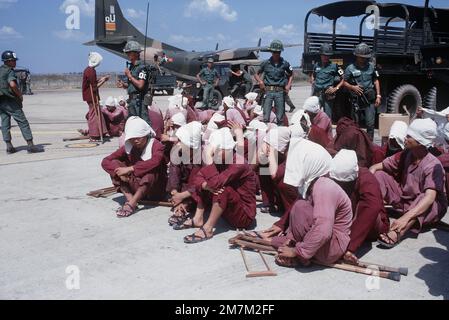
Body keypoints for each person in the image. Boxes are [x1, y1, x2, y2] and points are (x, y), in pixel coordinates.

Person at [272, 138, 353, 267]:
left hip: (332, 247)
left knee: (300, 207)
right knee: (276, 241)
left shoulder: (324, 186)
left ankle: (304, 257)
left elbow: (323, 229)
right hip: (325, 241)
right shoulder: (313, 183)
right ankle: (304, 251)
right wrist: (291, 239)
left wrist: (297, 251)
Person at [370, 119, 447, 248]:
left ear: (420, 142)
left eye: (409, 136)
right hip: (406, 199)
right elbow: (377, 167)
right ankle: (376, 215)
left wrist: (404, 218)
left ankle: (398, 232)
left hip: (429, 207)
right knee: (379, 175)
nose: (405, 138)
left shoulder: (433, 165)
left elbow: (429, 198)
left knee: (425, 198)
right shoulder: (406, 154)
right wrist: (370, 182)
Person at [181, 128, 257, 243]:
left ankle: (208, 229)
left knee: (221, 189)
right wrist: (205, 185)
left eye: (215, 151)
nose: (213, 154)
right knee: (206, 183)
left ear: (225, 149)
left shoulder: (239, 163)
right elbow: (198, 178)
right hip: (229, 210)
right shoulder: (221, 160)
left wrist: (209, 161)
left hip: (244, 217)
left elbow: (215, 184)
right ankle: (198, 218)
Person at [329, 150, 389, 264]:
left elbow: (371, 209)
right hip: (345, 219)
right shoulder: (330, 172)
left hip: (368, 224)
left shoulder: (366, 178)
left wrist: (350, 247)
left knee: (368, 208)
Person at [101, 117, 167, 218]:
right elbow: (105, 161)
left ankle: (132, 203)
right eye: (132, 139)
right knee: (114, 164)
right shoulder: (130, 146)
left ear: (145, 135)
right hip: (135, 184)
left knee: (151, 172)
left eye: (138, 138)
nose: (135, 141)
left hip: (154, 189)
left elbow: (155, 161)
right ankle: (130, 198)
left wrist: (130, 169)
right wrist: (119, 173)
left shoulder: (156, 145)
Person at [0, 50, 39, 154]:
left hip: (1, 102)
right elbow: (12, 84)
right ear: (6, 61)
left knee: (5, 123)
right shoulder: (9, 71)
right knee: (23, 122)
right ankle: (30, 146)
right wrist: (19, 95)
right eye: (12, 60)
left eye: (14, 60)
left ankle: (9, 146)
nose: (14, 62)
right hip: (10, 101)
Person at [167, 121, 204, 227]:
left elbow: (197, 182)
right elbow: (174, 172)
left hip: (196, 189)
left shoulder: (203, 156)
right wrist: (175, 192)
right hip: (183, 187)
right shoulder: (178, 152)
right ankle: (180, 205)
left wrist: (182, 196)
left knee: (200, 188)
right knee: (174, 183)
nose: (178, 144)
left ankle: (184, 207)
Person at [343, 43, 381, 141]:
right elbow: (344, 82)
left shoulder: (371, 67)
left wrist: (378, 95)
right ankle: (357, 144)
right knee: (355, 124)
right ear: (356, 56)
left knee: (370, 123)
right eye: (361, 57)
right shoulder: (350, 68)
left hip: (369, 98)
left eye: (365, 57)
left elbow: (376, 80)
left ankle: (369, 144)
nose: (363, 59)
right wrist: (353, 87)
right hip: (356, 98)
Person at [254, 40, 293, 125]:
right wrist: (260, 81)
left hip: (280, 92)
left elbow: (291, 74)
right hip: (268, 92)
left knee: (280, 116)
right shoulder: (265, 63)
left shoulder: (285, 63)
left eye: (278, 52)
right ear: (271, 52)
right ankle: (266, 135)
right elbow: (256, 74)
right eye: (275, 52)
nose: (276, 54)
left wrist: (288, 85)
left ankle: (279, 133)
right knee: (266, 115)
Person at [117, 41, 151, 125]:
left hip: (139, 101)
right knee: (132, 124)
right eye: (127, 52)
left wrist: (129, 76)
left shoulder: (142, 67)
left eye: (129, 52)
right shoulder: (132, 67)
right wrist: (124, 85)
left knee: (144, 124)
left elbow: (140, 85)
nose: (127, 54)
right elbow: (132, 86)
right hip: (132, 101)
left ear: (136, 53)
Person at [311, 44, 344, 120]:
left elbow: (343, 78)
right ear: (321, 55)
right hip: (317, 94)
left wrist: (336, 88)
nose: (326, 57)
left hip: (328, 94)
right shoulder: (316, 65)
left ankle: (327, 131)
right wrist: (313, 80)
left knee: (327, 117)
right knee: (314, 115)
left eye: (327, 55)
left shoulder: (335, 66)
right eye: (324, 55)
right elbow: (313, 75)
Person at [82, 52, 109, 141]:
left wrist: (102, 79)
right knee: (94, 114)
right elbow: (94, 87)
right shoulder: (91, 71)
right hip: (91, 95)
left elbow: (93, 82)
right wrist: (104, 81)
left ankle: (102, 132)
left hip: (90, 94)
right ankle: (94, 134)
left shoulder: (88, 69)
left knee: (98, 112)